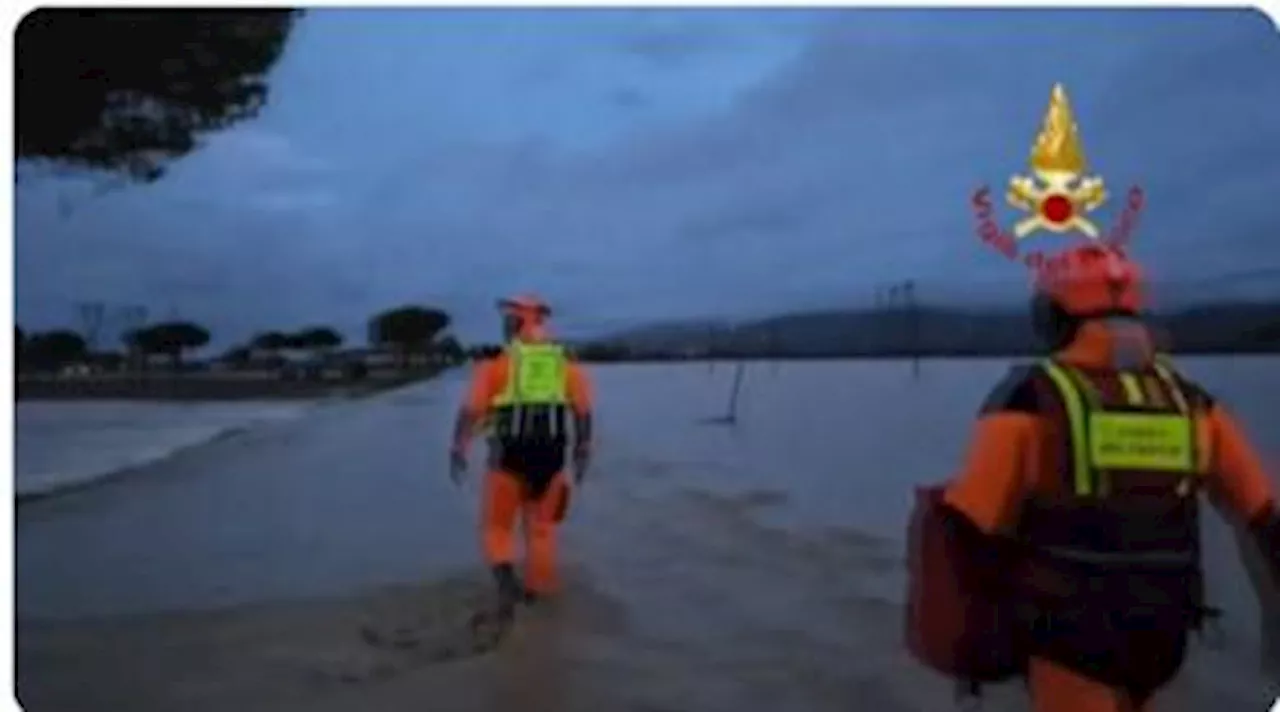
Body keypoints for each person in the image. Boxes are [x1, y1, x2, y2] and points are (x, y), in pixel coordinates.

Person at [907, 244, 1280, 712]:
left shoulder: (1029, 400)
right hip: (1163, 638)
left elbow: (969, 529)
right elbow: (1264, 514)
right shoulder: (1194, 404)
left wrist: (970, 646)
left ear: (1053, 317)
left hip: (1067, 638)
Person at [449, 294, 594, 617]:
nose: (503, 326)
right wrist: (582, 453)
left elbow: (470, 413)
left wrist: (458, 450)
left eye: (507, 320)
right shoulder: (566, 365)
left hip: (507, 461)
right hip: (552, 462)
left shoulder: (496, 365)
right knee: (542, 531)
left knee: (497, 529)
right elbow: (583, 413)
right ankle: (541, 604)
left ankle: (507, 591)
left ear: (517, 323)